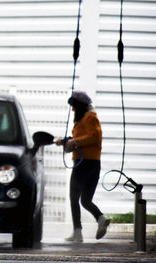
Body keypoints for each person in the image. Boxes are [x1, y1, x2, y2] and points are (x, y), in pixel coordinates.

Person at [55, 90, 110, 243]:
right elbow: (79, 139)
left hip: (85, 164)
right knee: (85, 200)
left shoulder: (91, 118)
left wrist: (75, 142)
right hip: (87, 164)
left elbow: (94, 137)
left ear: (80, 106)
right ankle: (100, 218)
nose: (72, 109)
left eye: (74, 106)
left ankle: (77, 234)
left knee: (74, 198)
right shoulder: (82, 120)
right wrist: (66, 141)